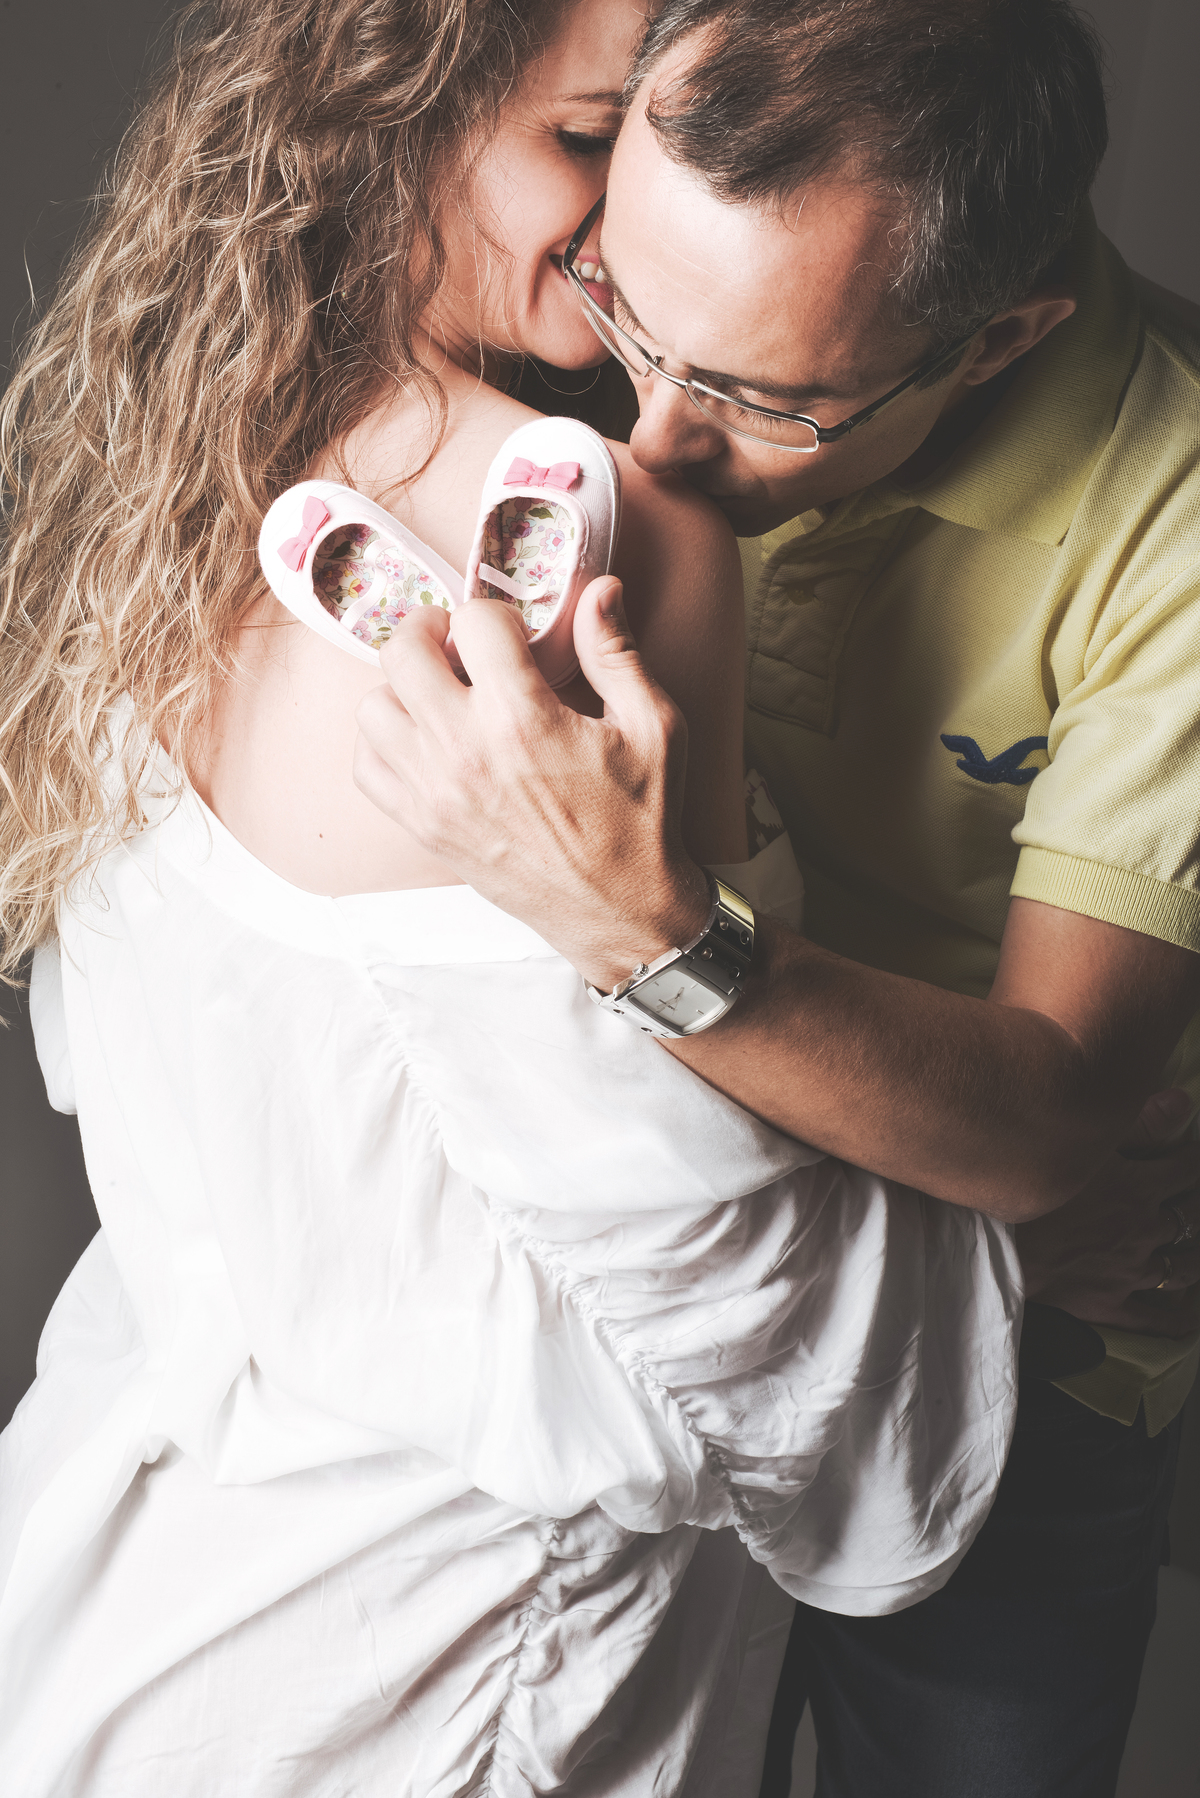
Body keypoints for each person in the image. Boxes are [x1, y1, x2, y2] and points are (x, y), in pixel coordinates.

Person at [0, 1, 1024, 1793]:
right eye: (589, 139)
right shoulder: (619, 534)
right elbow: (740, 1315)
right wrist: (1004, 1246)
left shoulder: (158, 465)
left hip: (134, 1571)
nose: (644, 222)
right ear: (396, 112)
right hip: (456, 1662)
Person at [351, 1, 1200, 1793]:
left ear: (1000, 336)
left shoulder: (1180, 521)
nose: (650, 442)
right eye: (629, 319)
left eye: (756, 401)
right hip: (671, 1296)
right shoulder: (593, 309)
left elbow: (1050, 1117)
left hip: (1026, 1365)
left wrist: (645, 935)